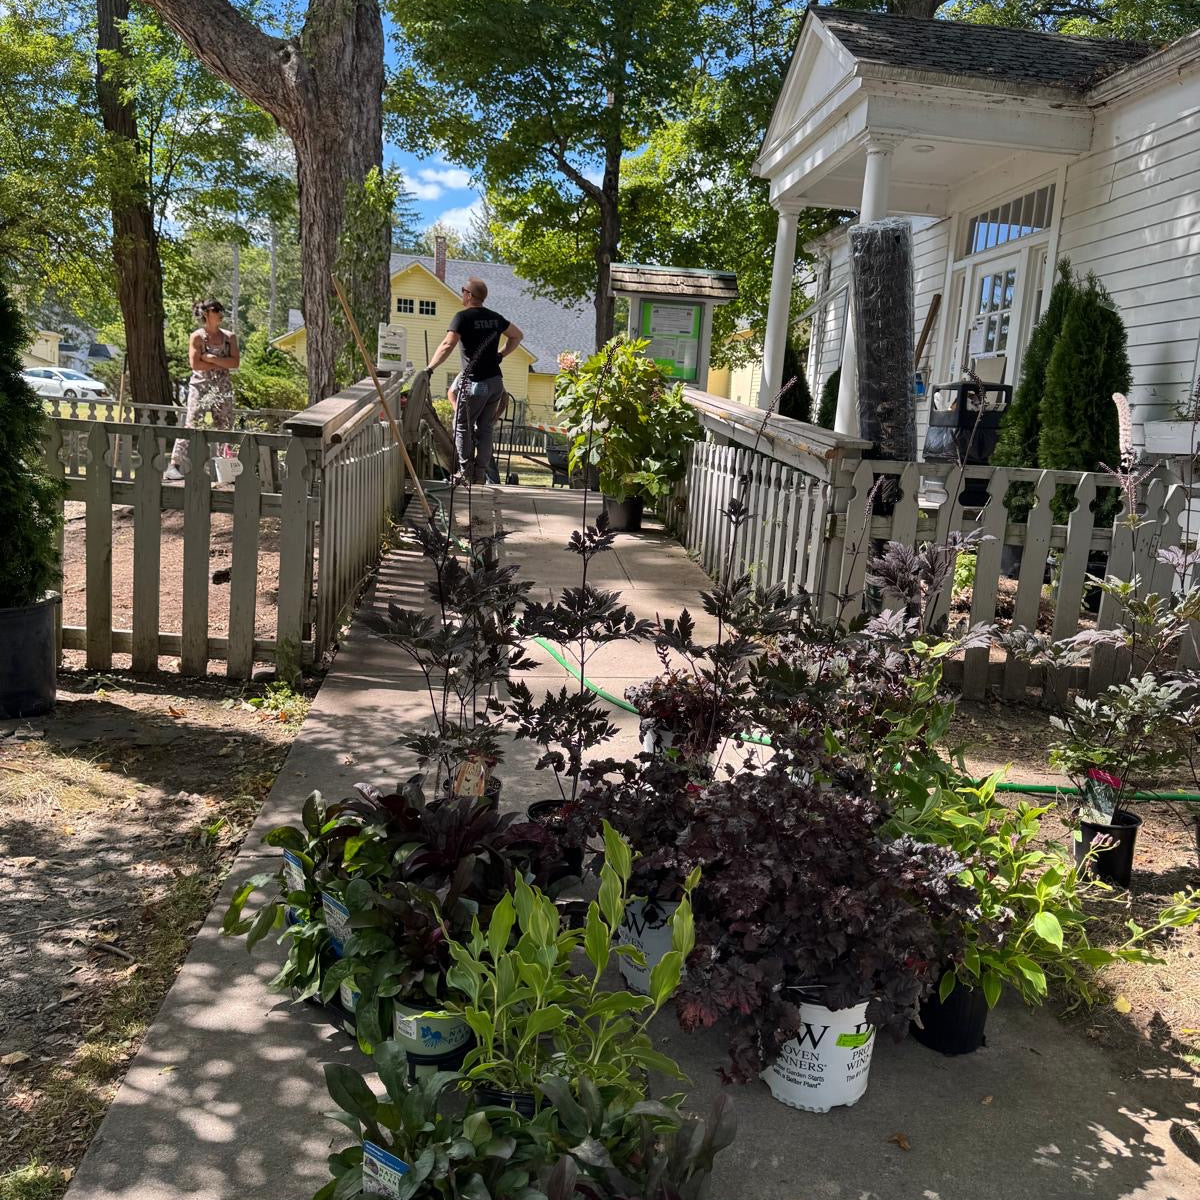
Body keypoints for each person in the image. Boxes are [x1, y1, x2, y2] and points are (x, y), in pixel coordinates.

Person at [424, 277, 522, 484]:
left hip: (475, 383)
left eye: (463, 291)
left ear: (469, 295)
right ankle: (479, 475)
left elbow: (447, 345)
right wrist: (500, 355)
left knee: (462, 426)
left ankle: (464, 472)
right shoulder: (496, 318)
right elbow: (517, 336)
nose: (462, 294)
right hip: (496, 382)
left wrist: (430, 368)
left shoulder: (462, 318)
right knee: (485, 428)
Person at [164, 299, 239, 481]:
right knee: (193, 422)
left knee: (225, 425)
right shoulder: (197, 337)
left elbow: (235, 362)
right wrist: (220, 362)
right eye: (216, 310)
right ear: (206, 313)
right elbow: (195, 364)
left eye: (221, 310)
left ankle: (228, 470)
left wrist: (212, 358)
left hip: (222, 387)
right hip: (200, 386)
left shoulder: (229, 337)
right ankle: (174, 465)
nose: (220, 313)